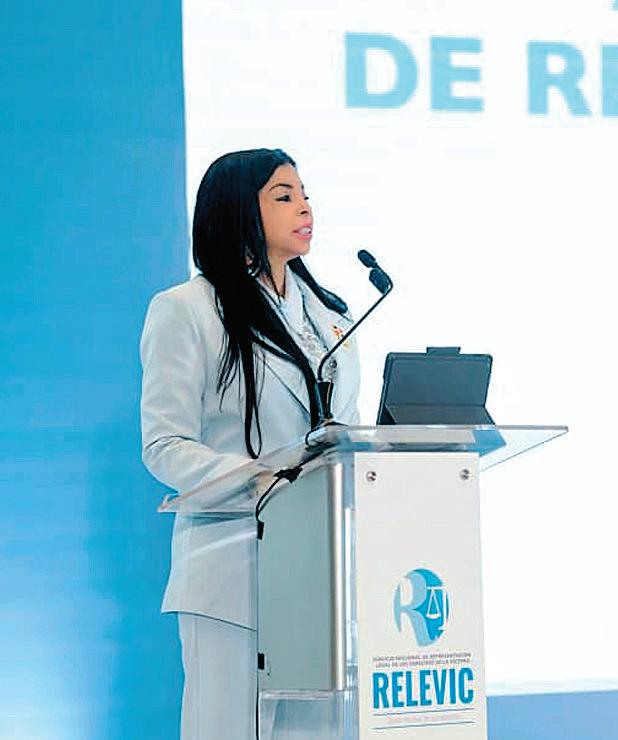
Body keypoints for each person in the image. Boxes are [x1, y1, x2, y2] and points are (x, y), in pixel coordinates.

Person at [140, 149, 361, 738]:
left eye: (305, 194)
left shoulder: (331, 318)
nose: (305, 208)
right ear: (237, 210)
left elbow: (344, 432)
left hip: (320, 572)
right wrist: (263, 482)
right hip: (232, 568)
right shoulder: (186, 310)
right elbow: (165, 444)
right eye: (283, 196)